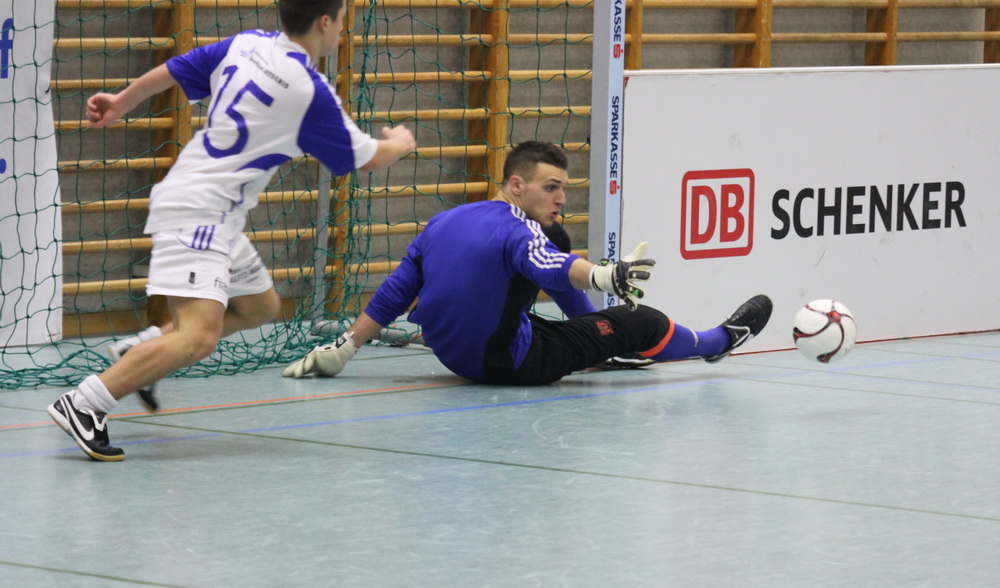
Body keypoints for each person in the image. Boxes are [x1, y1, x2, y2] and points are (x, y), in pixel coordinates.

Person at [48, 0, 416, 461]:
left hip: (212, 211)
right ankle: (85, 403)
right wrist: (400, 142)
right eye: (342, 20)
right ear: (325, 22)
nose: (343, 29)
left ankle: (142, 351)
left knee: (259, 306)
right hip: (199, 212)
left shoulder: (248, 44)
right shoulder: (309, 91)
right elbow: (368, 158)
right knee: (199, 337)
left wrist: (122, 101)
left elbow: (176, 69)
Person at [283, 141, 772, 385]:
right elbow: (550, 264)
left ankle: (592, 336)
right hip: (507, 362)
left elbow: (395, 291)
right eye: (550, 187)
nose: (561, 198)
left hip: (451, 353)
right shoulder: (519, 231)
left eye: (563, 188)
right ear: (516, 186)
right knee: (640, 321)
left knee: (554, 250)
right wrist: (602, 274)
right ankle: (718, 342)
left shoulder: (446, 220)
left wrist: (345, 347)